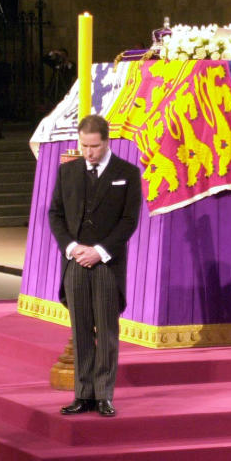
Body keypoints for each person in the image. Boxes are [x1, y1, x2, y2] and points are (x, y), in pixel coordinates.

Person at [48, 114, 142, 417]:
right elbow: (55, 214)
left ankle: (104, 394)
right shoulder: (68, 172)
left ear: (107, 141)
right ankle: (83, 394)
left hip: (106, 264)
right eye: (84, 145)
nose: (88, 152)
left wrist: (100, 251)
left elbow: (129, 221)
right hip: (75, 261)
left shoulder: (127, 173)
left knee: (107, 330)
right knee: (81, 330)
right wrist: (73, 248)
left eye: (94, 146)